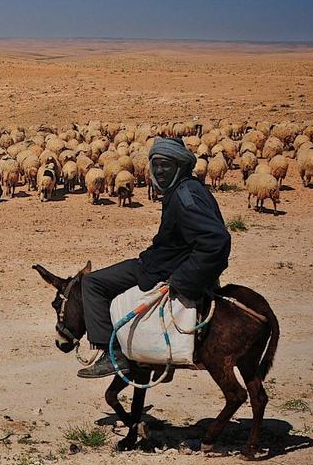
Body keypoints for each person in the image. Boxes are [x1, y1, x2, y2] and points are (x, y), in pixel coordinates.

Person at [76, 137, 231, 379]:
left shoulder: (184, 196)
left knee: (93, 283)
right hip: (166, 261)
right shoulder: (188, 188)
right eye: (156, 165)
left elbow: (216, 240)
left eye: (166, 165)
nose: (159, 170)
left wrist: (185, 279)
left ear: (180, 166)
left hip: (164, 268)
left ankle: (112, 354)